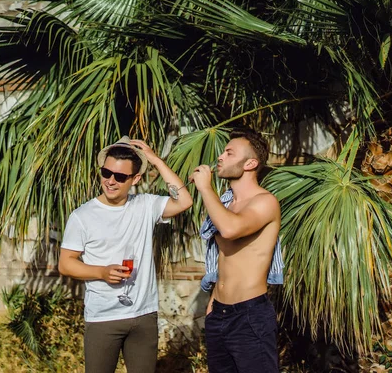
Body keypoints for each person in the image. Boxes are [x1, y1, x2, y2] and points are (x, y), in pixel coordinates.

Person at [58, 136, 193, 373]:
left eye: (120, 177)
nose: (110, 181)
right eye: (106, 173)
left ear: (135, 179)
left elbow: (183, 201)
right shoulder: (82, 216)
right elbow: (66, 264)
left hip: (143, 315)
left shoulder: (145, 205)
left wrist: (154, 160)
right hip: (102, 318)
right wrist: (100, 272)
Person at [190, 127, 282, 373]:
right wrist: (212, 304)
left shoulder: (265, 202)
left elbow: (231, 230)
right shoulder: (226, 204)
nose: (220, 157)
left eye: (229, 153)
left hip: (249, 316)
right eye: (222, 152)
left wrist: (205, 188)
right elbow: (226, 258)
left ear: (251, 163)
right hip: (218, 313)